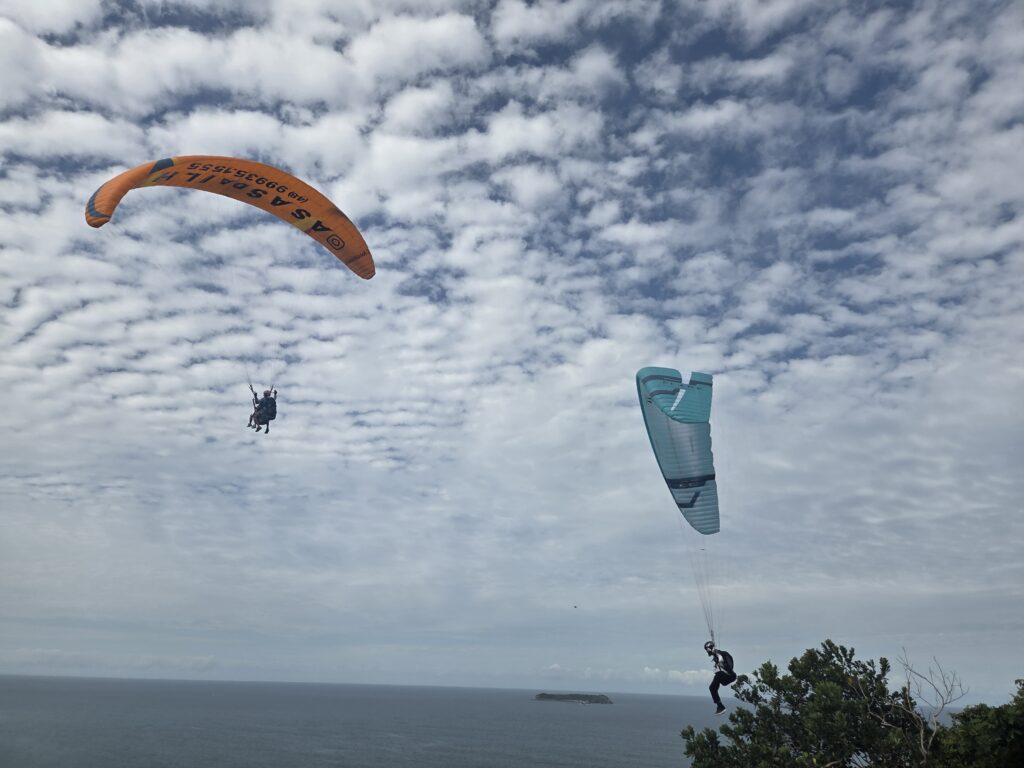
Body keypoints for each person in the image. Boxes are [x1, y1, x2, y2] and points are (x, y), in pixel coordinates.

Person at [705, 640, 736, 715]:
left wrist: (720, 662)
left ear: (709, 648)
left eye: (707, 650)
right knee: (713, 687)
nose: (707, 652)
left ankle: (720, 707)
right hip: (728, 677)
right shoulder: (717, 655)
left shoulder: (718, 653)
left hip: (728, 675)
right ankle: (720, 706)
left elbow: (721, 659)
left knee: (712, 687)